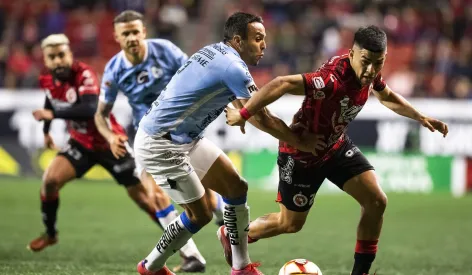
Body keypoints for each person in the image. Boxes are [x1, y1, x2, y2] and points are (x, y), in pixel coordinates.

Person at [224, 25, 449, 275]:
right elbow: (282, 83)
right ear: (351, 54)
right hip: (302, 155)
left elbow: (385, 95)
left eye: (379, 63)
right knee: (290, 224)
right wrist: (245, 113)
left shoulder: (369, 71)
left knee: (376, 201)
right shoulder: (331, 80)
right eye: (366, 62)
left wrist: (421, 117)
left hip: (335, 146)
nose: (371, 70)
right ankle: (232, 234)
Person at [134, 12, 324, 275]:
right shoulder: (232, 66)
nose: (264, 45)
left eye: (264, 39)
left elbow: (237, 99)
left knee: (235, 188)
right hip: (160, 145)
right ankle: (150, 266)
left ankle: (241, 267)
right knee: (199, 214)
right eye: (257, 38)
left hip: (183, 139)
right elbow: (264, 118)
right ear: (237, 40)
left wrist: (242, 109)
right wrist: (299, 142)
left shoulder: (215, 52)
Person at [94, 10, 220, 272]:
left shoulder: (164, 50)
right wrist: (110, 136)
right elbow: (101, 115)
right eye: (125, 33)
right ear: (117, 37)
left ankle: (223, 216)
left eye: (135, 32)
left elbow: (194, 75)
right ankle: (191, 255)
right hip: (147, 136)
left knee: (205, 200)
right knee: (154, 195)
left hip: (182, 130)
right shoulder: (114, 69)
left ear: (144, 32)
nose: (131, 37)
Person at [27, 34, 172, 255]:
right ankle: (51, 233)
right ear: (46, 60)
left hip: (110, 142)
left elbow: (89, 108)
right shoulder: (46, 78)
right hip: (81, 143)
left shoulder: (84, 74)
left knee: (144, 199)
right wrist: (46, 131)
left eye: (61, 55)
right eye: (52, 57)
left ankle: (179, 243)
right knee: (49, 181)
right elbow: (50, 100)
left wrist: (52, 115)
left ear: (69, 55)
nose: (57, 61)